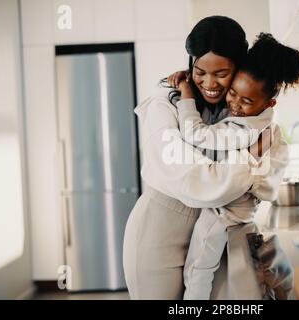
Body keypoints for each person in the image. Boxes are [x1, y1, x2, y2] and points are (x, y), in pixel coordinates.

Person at [122, 16, 286, 299]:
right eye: (200, 71)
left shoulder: (237, 108)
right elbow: (197, 184)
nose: (209, 83)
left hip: (213, 232)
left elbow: (270, 167)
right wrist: (249, 160)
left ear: (239, 68)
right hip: (160, 231)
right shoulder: (164, 105)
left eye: (221, 73)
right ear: (190, 65)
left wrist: (251, 170)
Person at [170, 33, 299, 299]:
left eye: (245, 102)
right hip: (241, 211)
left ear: (269, 104)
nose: (234, 104)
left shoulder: (245, 129)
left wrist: (186, 94)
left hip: (223, 213)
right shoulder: (265, 122)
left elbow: (197, 133)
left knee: (198, 268)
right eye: (232, 93)